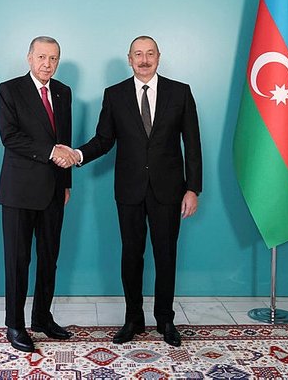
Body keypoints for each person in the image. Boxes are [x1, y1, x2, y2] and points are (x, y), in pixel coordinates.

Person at [71, 36, 202, 346]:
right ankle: (133, 319)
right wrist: (77, 155)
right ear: (129, 59)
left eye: (150, 54)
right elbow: (104, 140)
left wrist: (193, 189)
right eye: (138, 54)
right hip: (129, 189)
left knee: (166, 255)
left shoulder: (180, 92)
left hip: (169, 190)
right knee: (131, 255)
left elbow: (193, 143)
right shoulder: (114, 94)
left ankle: (165, 320)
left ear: (158, 57)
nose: (144, 60)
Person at [0, 36, 79, 353]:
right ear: (29, 58)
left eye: (53, 58)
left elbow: (65, 139)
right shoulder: (9, 89)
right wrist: (50, 151)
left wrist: (66, 182)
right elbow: (10, 137)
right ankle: (15, 325)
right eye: (42, 57)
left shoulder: (63, 91)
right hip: (19, 191)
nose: (47, 64)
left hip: (54, 190)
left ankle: (42, 318)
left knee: (49, 259)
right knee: (18, 261)